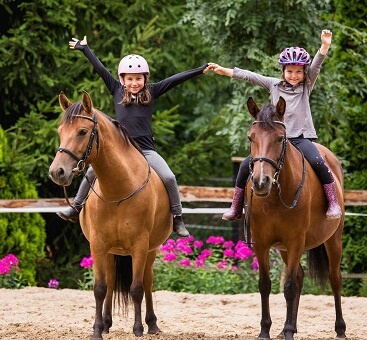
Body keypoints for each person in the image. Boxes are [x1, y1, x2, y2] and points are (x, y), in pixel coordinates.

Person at [56, 35, 211, 238]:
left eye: (138, 78)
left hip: (146, 151)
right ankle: (75, 208)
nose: (134, 82)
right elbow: (100, 69)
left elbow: (176, 79)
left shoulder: (152, 91)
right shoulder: (116, 90)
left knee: (169, 177)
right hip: (121, 151)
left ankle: (178, 218)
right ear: (123, 80)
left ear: (145, 78)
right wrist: (85, 49)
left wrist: (201, 69)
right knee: (92, 173)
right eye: (130, 79)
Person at [207, 29, 341, 221]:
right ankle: (236, 206)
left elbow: (317, 65)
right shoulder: (274, 85)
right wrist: (224, 71)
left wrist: (325, 46)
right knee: (246, 166)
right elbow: (249, 76)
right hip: (274, 140)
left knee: (319, 162)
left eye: (298, 72)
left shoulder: (306, 85)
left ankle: (333, 201)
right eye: (289, 71)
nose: (294, 76)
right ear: (283, 71)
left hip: (299, 139)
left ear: (304, 73)